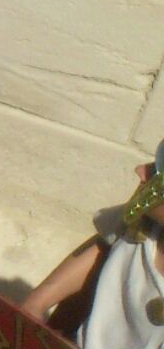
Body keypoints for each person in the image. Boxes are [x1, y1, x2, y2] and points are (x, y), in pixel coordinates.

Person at [21, 145, 164, 343]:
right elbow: (103, 247)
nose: (140, 171)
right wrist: (38, 303)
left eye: (157, 173)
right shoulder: (139, 224)